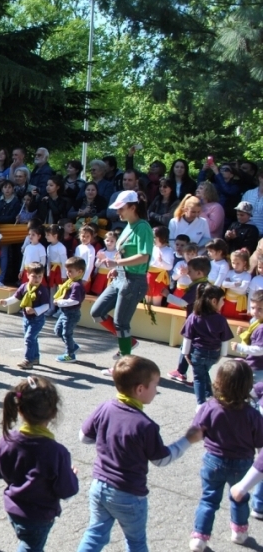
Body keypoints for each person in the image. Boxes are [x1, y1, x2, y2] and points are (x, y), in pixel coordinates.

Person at [76, 355, 203, 552]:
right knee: (136, 542)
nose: (157, 390)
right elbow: (162, 460)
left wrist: (108, 439)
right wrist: (187, 440)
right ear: (140, 389)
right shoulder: (145, 425)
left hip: (98, 486)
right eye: (155, 385)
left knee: (94, 535)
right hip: (128, 493)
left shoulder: (105, 407)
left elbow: (84, 436)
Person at [0, 375, 78, 552]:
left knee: (30, 543)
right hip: (39, 515)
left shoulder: (8, 440)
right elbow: (67, 490)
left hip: (13, 508)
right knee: (31, 547)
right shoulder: (56, 452)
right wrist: (71, 476)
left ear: (20, 410)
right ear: (53, 413)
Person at [188, 360, 263, 551]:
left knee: (208, 499)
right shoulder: (253, 415)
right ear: (247, 385)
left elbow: (196, 431)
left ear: (219, 382)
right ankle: (239, 531)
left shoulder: (210, 407)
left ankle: (199, 537)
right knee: (240, 497)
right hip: (242, 463)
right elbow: (260, 442)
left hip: (213, 460)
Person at [91, 191, 152, 365]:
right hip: (121, 277)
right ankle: (129, 343)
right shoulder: (128, 226)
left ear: (133, 207)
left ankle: (125, 364)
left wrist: (116, 263)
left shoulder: (143, 227)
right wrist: (118, 268)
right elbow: (124, 253)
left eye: (121, 208)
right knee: (97, 312)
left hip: (134, 281)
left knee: (121, 322)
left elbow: (143, 257)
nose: (118, 212)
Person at [182, 283, 233, 405]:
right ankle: (211, 395)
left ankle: (201, 404)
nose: (223, 303)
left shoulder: (194, 317)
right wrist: (221, 355)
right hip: (214, 353)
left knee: (199, 377)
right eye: (223, 300)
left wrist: (185, 353)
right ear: (214, 301)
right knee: (204, 371)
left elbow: (187, 337)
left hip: (198, 353)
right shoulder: (221, 319)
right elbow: (225, 339)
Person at [0, 263, 50, 370]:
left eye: (40, 276)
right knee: (33, 339)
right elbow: (16, 298)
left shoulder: (42, 290)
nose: (37, 279)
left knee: (29, 338)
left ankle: (28, 360)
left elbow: (46, 306)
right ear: (28, 275)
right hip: (26, 318)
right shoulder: (24, 287)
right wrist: (6, 302)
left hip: (37, 319)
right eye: (34, 276)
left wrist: (35, 310)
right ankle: (35, 358)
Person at [53, 258, 87, 363]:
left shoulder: (76, 285)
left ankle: (70, 355)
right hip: (65, 313)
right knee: (58, 331)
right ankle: (73, 346)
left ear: (80, 272)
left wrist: (60, 302)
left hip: (72, 313)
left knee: (67, 334)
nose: (68, 273)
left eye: (70, 271)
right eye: (67, 270)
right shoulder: (70, 282)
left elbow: (75, 301)